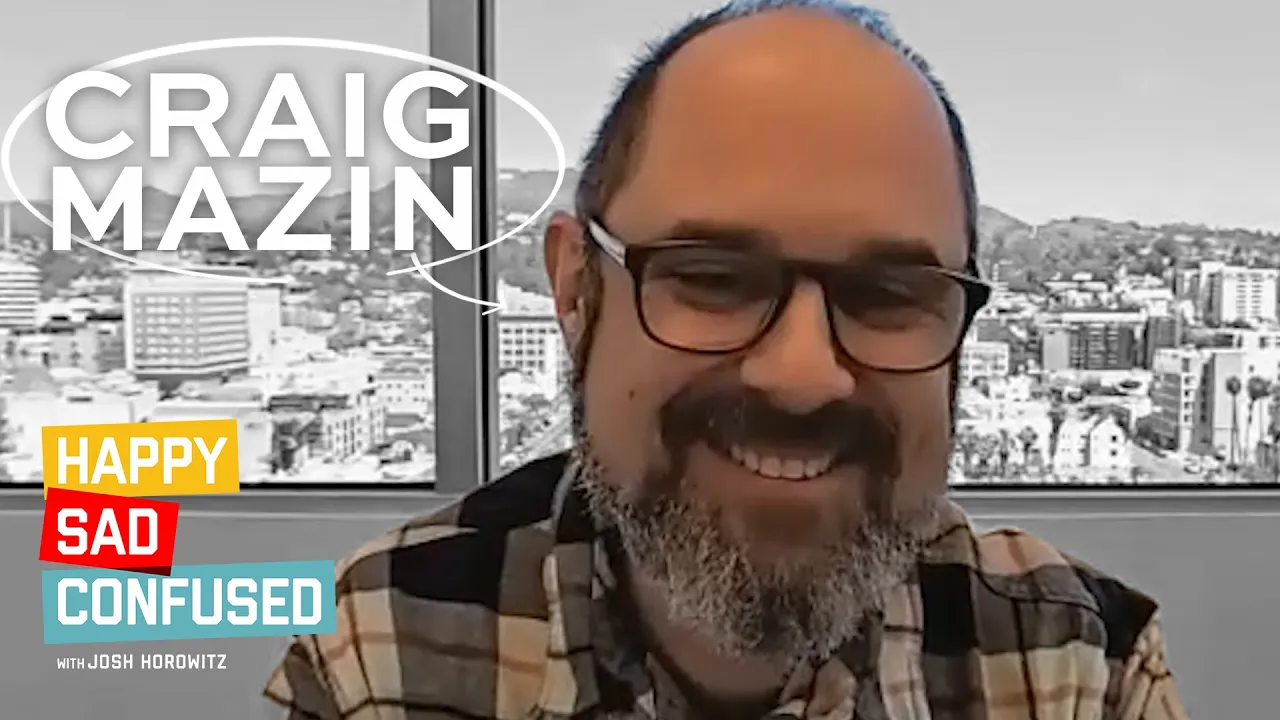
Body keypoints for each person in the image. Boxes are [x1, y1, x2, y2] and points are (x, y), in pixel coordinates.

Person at [263, 1, 1189, 718]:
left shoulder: (1076, 668)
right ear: (576, 292)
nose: (802, 375)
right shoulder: (388, 652)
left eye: (890, 292)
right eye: (712, 277)